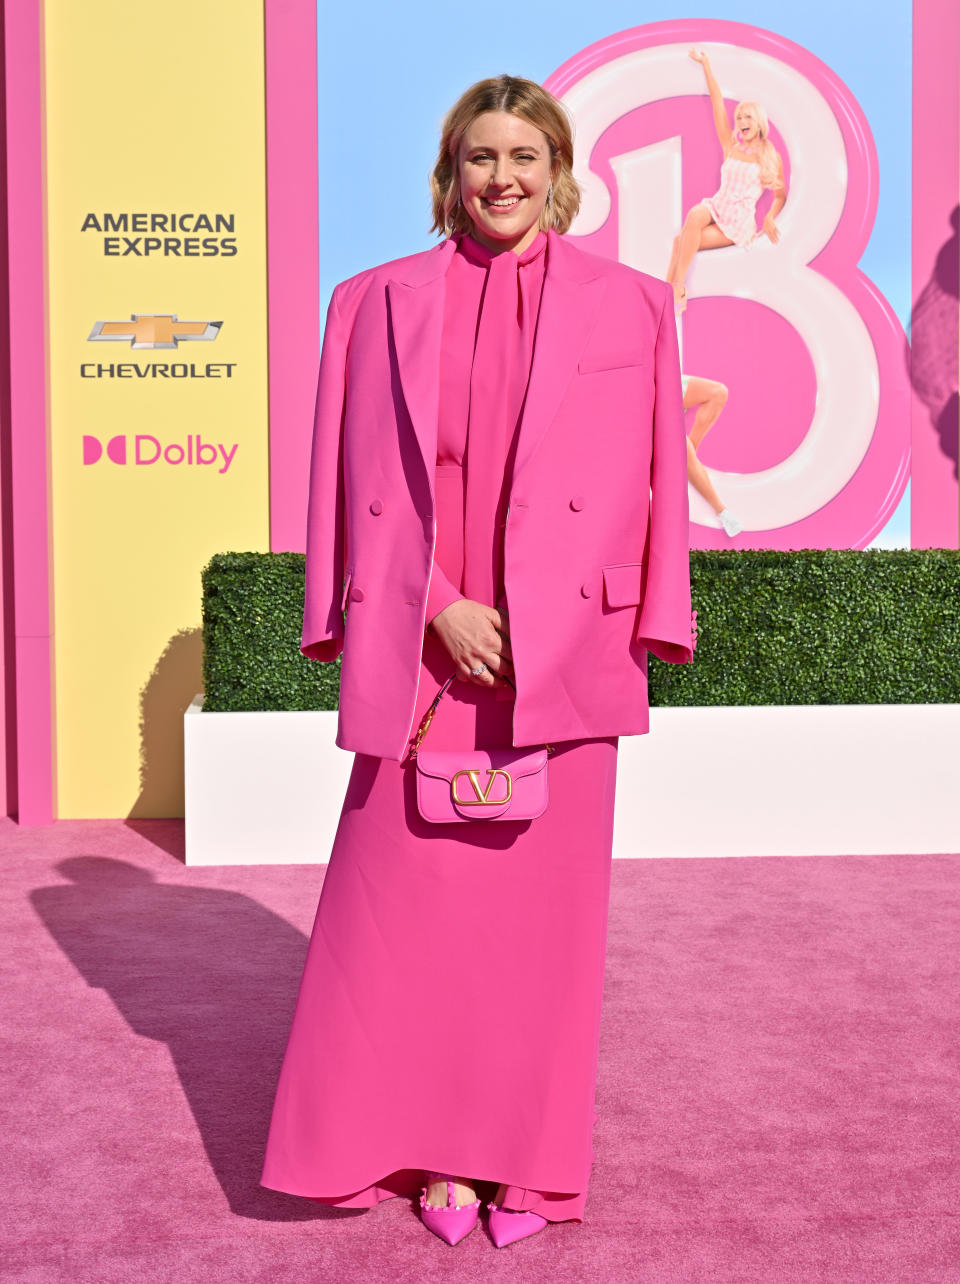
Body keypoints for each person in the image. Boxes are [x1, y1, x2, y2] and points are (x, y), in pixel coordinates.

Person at [260, 74, 696, 1249]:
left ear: (560, 172)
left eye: (524, 156)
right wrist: (438, 609)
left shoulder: (636, 307)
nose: (501, 177)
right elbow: (346, 485)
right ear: (447, 174)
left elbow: (657, 482)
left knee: (541, 946)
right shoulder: (373, 302)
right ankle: (440, 1155)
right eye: (478, 157)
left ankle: (530, 1169)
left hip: (565, 661)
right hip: (426, 652)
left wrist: (653, 624)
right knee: (402, 930)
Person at [667, 48, 787, 312]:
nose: (742, 121)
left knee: (680, 243)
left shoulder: (769, 155)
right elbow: (717, 101)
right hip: (716, 205)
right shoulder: (731, 146)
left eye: (747, 117)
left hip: (737, 221)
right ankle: (677, 290)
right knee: (695, 214)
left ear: (759, 122)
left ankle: (667, 296)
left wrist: (768, 219)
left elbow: (780, 194)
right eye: (739, 117)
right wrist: (706, 64)